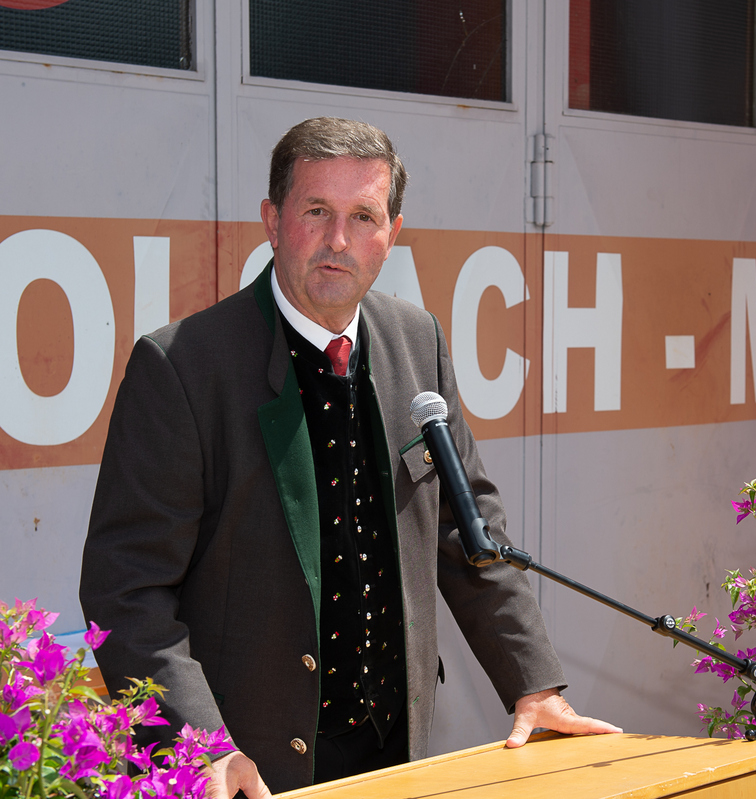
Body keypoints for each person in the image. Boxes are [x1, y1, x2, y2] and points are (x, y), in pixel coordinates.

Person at [80, 117, 618, 799]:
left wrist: (533, 682)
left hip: (398, 754)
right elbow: (126, 589)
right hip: (250, 768)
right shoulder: (182, 367)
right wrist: (202, 745)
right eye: (316, 211)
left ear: (392, 232)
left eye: (363, 216)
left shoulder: (418, 340)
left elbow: (469, 529)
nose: (339, 239)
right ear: (273, 220)